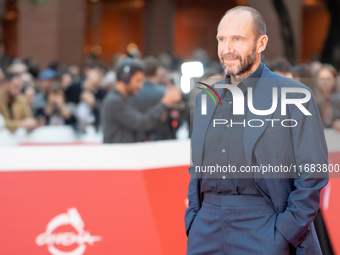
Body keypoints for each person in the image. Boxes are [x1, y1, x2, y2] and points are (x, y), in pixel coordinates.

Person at [185, 6, 328, 255]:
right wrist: (193, 220)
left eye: (237, 39)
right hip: (205, 228)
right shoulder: (205, 98)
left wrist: (285, 232)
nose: (227, 48)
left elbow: (313, 173)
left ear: (261, 43)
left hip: (264, 225)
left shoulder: (294, 96)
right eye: (222, 39)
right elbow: (197, 167)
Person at [101, 58, 181, 143]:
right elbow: (142, 123)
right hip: (119, 154)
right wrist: (165, 102)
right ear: (125, 78)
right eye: (138, 80)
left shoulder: (120, 99)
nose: (141, 86)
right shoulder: (115, 101)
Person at [129, 56, 171, 141]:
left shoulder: (133, 92)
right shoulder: (166, 93)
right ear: (157, 71)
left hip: (137, 138)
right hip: (161, 138)